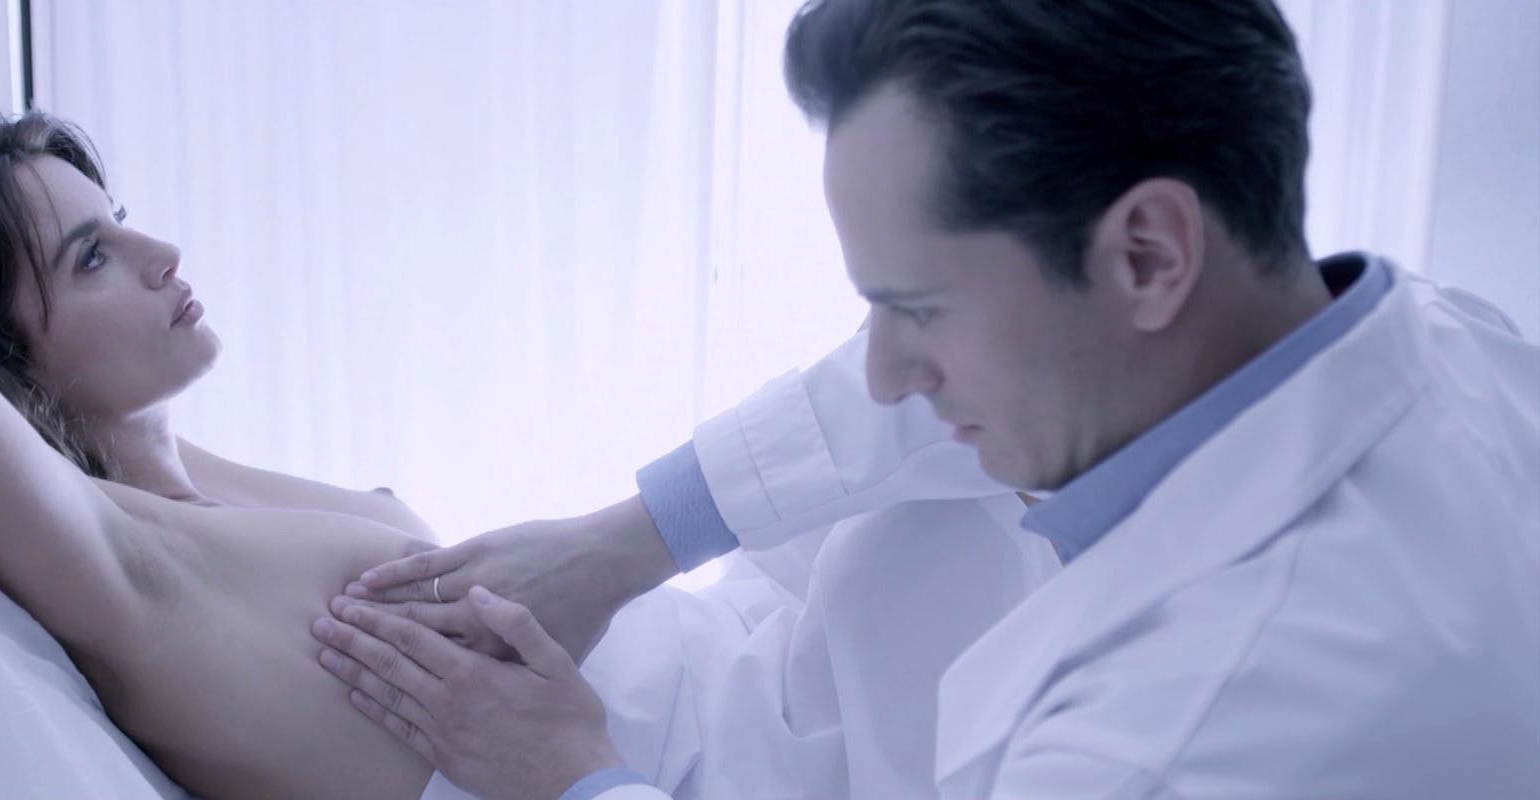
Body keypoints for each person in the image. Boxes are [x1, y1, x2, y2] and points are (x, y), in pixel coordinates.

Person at [311, 0, 1540, 797]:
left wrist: (574, 775)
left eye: (916, 308)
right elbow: (888, 396)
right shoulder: (1444, 340)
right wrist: (629, 537)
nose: (886, 372)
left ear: (1148, 253)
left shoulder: (1173, 741)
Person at [0, 113, 453, 799]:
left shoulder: (187, 496)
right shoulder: (128, 572)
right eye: (91, 258)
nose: (163, 255)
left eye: (118, 220)